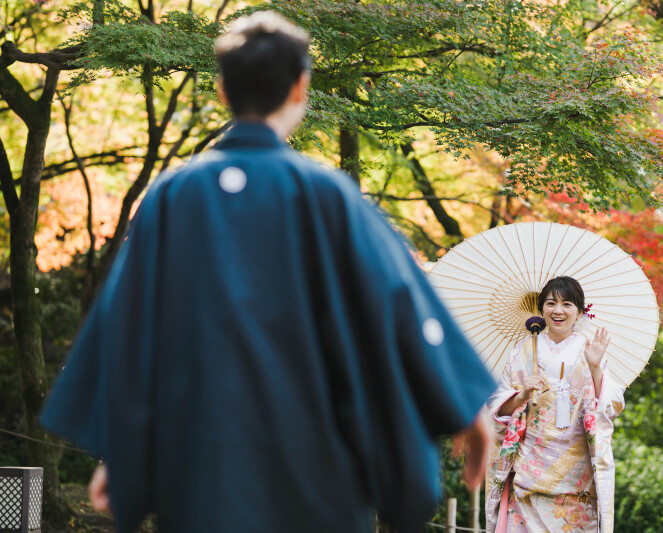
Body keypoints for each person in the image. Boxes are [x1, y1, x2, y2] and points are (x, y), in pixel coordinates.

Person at [39, 11, 497, 533]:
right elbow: (402, 308)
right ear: (301, 88)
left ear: (221, 90)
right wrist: (463, 401)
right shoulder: (330, 196)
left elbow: (128, 330)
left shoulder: (174, 195)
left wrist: (124, 454)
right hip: (320, 477)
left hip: (203, 477)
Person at [485, 276, 625, 533]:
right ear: (541, 309)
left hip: (577, 472)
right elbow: (497, 410)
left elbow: (611, 406)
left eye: (567, 304)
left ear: (580, 312)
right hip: (530, 467)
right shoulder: (523, 352)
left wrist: (595, 368)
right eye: (551, 303)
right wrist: (522, 395)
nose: (558, 310)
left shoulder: (589, 350)